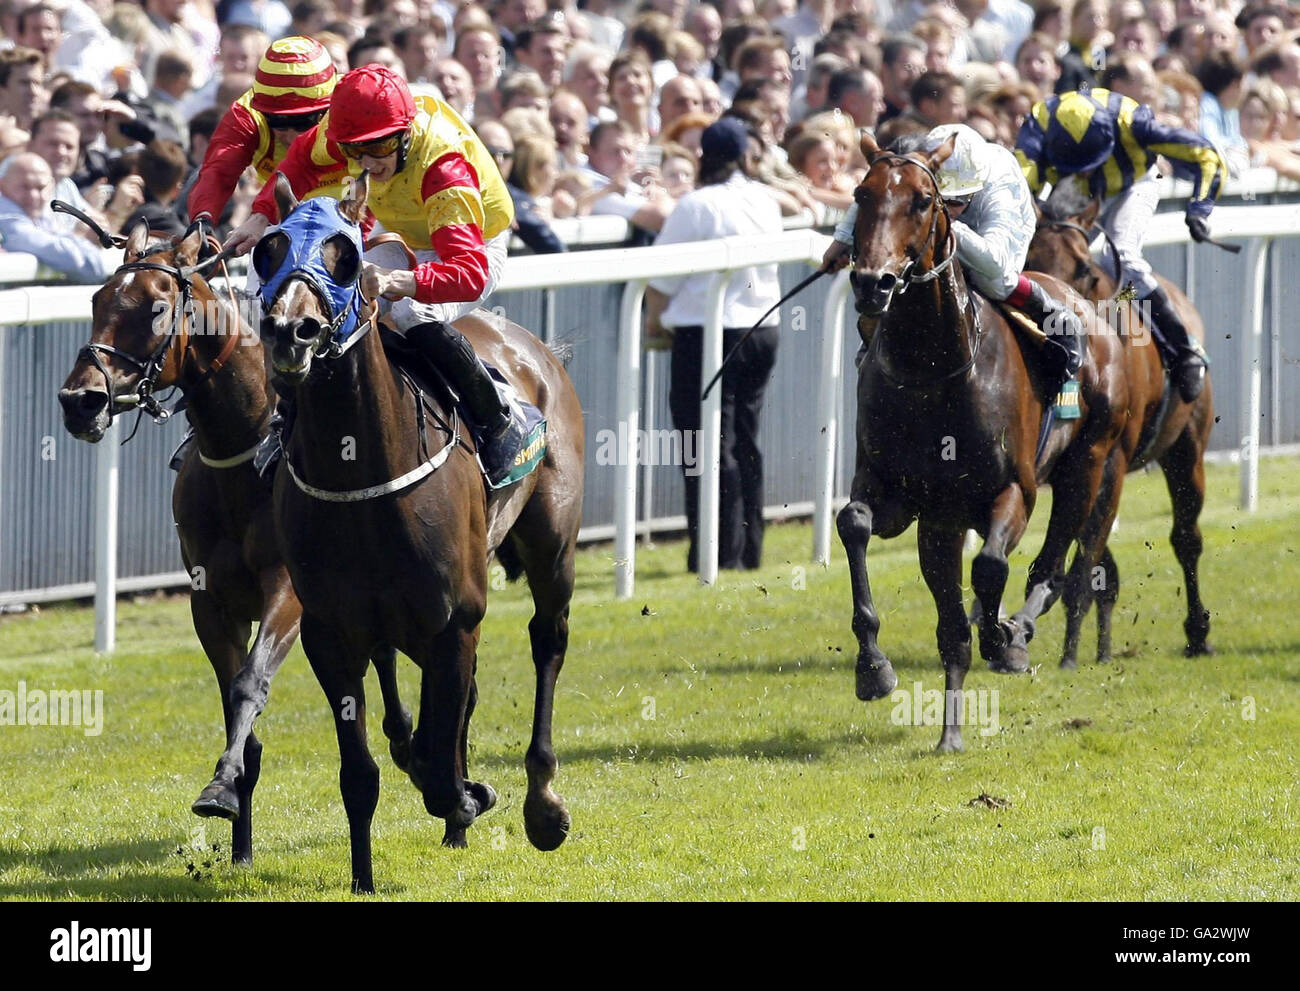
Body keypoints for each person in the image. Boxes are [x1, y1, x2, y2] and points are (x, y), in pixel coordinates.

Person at [227, 65, 525, 485]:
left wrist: (398, 282)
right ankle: (288, 419)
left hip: (472, 249)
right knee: (334, 305)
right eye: (354, 151)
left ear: (404, 135)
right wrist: (261, 216)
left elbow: (468, 273)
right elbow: (296, 165)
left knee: (409, 314)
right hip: (406, 234)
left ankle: (496, 419)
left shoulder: (444, 169)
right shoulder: (350, 128)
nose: (367, 161)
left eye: (380, 146)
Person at [823, 122, 1085, 404]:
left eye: (958, 201)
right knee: (911, 274)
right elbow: (878, 187)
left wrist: (942, 221)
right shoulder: (917, 158)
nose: (952, 207)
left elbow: (996, 262)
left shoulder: (999, 190)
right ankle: (874, 344)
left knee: (992, 280)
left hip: (997, 231)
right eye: (945, 199)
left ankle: (1057, 318)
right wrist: (841, 240)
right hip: (930, 203)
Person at [1014, 87, 1226, 402]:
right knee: (1044, 252)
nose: (1085, 169)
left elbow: (1207, 155)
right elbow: (1020, 181)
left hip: (1134, 183)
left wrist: (1199, 209)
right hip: (1076, 186)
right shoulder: (1038, 124)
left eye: (1088, 163)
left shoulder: (1135, 123)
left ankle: (1184, 348)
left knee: (1121, 256)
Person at [645, 116, 783, 573]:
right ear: (746, 155)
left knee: (705, 444)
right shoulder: (766, 199)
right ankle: (747, 551)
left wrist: (652, 325)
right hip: (761, 331)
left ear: (705, 157)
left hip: (710, 336)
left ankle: (715, 552)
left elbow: (662, 278)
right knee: (745, 441)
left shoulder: (696, 206)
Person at [187, 36, 340, 227]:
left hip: (362, 212)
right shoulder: (246, 115)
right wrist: (203, 221)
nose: (292, 135)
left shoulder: (352, 106)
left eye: (303, 121)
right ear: (262, 111)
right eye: (277, 120)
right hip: (277, 217)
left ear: (328, 107)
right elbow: (217, 172)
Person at [0, 152, 116, 281]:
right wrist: (79, 237)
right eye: (24, 187)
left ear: (51, 187)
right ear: (2, 185)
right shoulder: (5, 216)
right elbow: (83, 265)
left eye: (40, 187)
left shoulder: (41, 212)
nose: (33, 196)